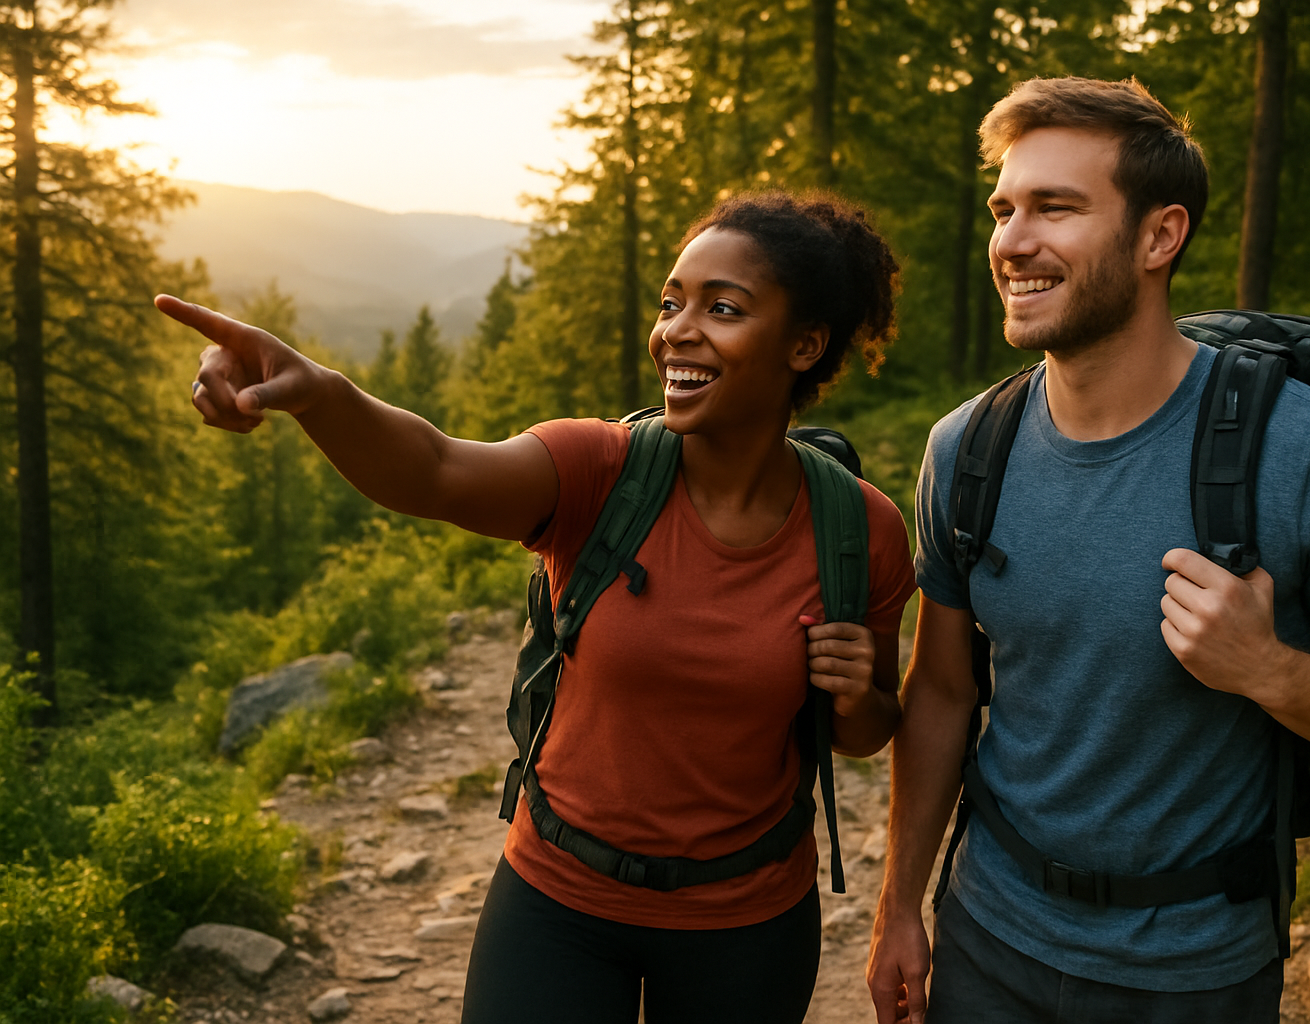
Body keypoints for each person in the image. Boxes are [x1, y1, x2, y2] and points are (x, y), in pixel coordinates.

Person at [158, 190, 917, 1024]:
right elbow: (437, 469)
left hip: (746, 921)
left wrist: (856, 693)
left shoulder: (860, 531)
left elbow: (865, 731)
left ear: (805, 345)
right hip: (557, 899)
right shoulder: (599, 470)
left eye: (722, 308)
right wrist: (318, 394)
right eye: (671, 303)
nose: (676, 330)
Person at [865, 76, 1310, 1024]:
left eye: (1056, 208)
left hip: (1196, 975)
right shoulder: (964, 451)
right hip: (988, 939)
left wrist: (1269, 670)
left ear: (1161, 236)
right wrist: (898, 904)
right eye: (1005, 208)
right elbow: (943, 690)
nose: (1012, 241)